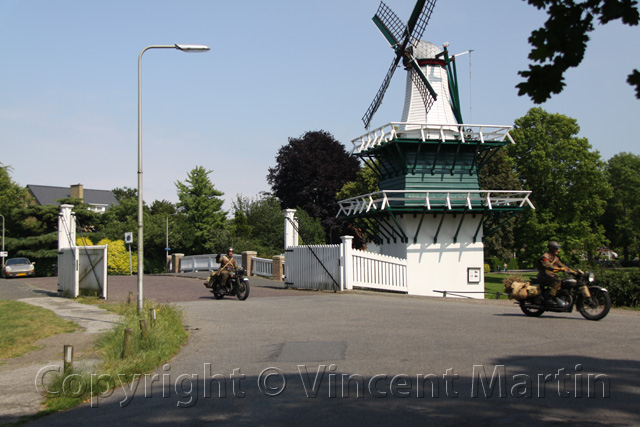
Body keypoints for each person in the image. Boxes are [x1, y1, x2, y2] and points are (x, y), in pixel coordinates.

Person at [536, 241, 571, 307]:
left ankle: (559, 298)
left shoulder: (555, 258)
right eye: (556, 249)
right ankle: (550, 299)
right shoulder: (544, 257)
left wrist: (573, 271)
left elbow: (562, 265)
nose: (558, 250)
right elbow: (548, 266)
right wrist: (560, 269)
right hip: (544, 276)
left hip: (551, 276)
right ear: (552, 249)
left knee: (564, 283)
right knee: (557, 282)